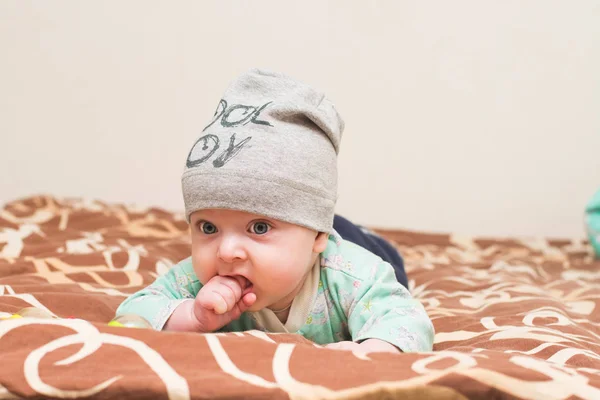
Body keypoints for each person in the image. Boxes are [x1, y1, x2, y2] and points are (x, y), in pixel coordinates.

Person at [116, 69, 434, 354]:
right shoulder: (197, 281)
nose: (226, 252)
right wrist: (192, 317)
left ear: (318, 236)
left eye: (259, 227)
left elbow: (406, 320)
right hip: (311, 228)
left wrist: (372, 349)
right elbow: (133, 312)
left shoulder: (352, 275)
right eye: (208, 228)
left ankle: (353, 233)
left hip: (353, 245)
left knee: (376, 255)